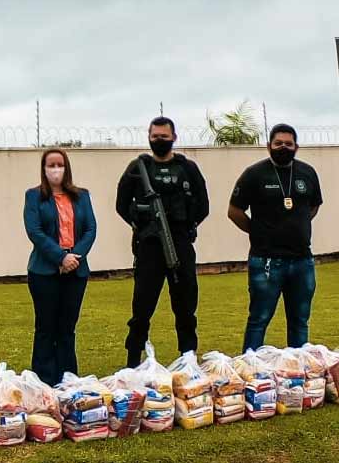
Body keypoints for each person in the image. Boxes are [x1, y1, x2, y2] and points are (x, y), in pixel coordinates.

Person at [116, 116, 208, 367]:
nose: (159, 141)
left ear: (174, 138)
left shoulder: (187, 168)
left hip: (180, 243)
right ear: (148, 137)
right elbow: (122, 205)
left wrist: (185, 226)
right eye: (155, 137)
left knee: (186, 306)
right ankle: (133, 361)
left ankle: (188, 359)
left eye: (164, 137)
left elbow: (203, 206)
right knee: (142, 307)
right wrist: (142, 225)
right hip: (149, 246)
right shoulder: (138, 168)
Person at [228, 124, 323, 350]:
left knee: (300, 322)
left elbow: (314, 206)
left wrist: (296, 226)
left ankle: (296, 374)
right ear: (269, 146)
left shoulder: (307, 173)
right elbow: (234, 211)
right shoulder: (254, 174)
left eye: (288, 144)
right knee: (259, 320)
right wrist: (259, 231)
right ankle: (250, 370)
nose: (283, 147)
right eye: (278, 143)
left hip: (302, 260)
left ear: (296, 147)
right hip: (266, 261)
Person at [23, 149, 97, 386]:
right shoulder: (34, 196)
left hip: (76, 271)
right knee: (46, 327)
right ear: (44, 169)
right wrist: (60, 258)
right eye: (50, 165)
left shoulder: (82, 196)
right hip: (44, 271)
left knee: (67, 328)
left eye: (59, 164)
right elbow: (35, 231)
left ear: (67, 167)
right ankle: (44, 380)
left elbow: (90, 229)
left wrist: (74, 257)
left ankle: (68, 378)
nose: (55, 169)